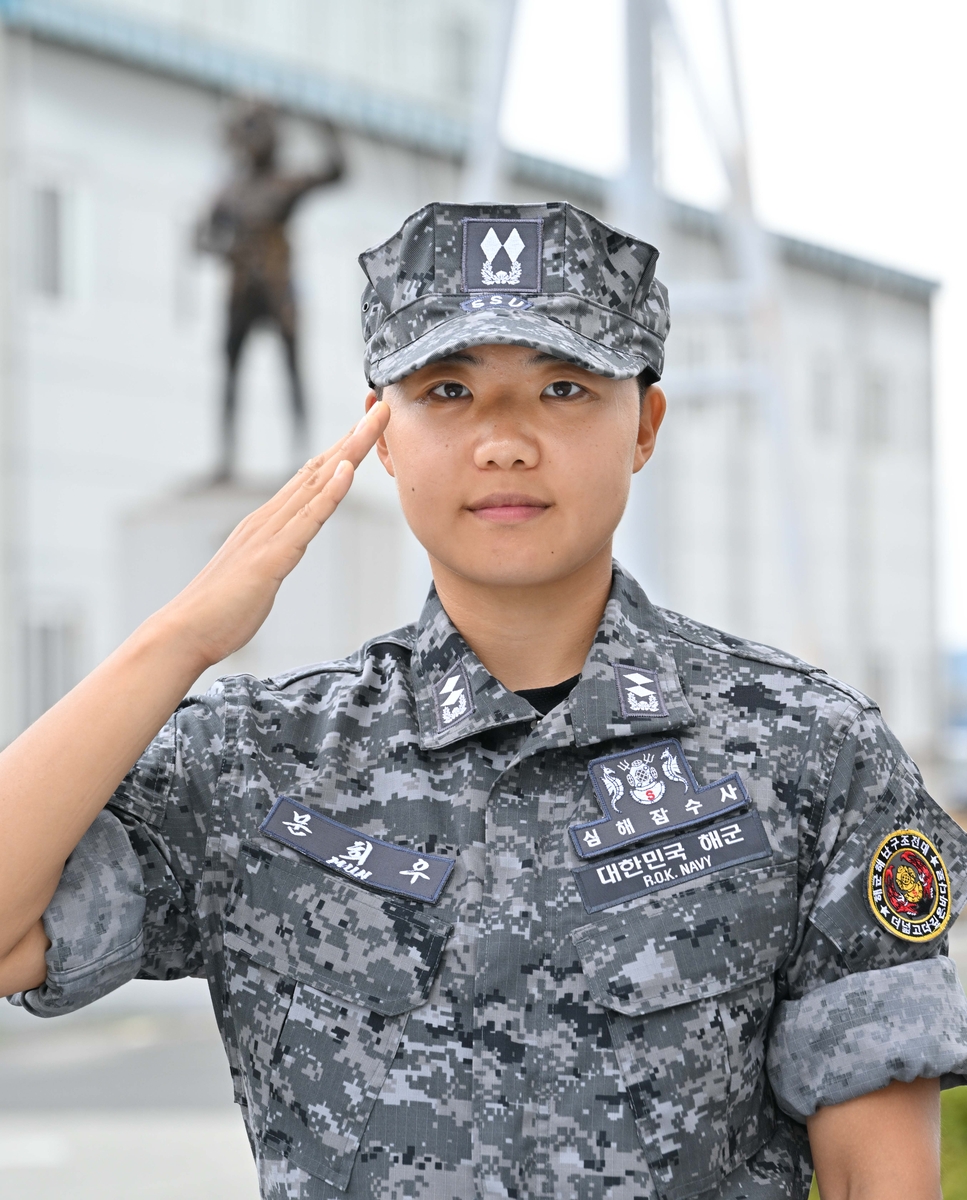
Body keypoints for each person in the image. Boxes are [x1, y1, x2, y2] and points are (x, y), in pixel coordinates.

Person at [0, 201, 965, 1200]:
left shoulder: (805, 753)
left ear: (644, 423)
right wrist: (180, 638)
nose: (503, 443)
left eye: (562, 388)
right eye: (447, 390)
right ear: (381, 432)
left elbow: (876, 1178)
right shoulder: (264, 767)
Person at [196, 101, 344, 481]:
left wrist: (329, 133)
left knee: (292, 369)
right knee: (231, 371)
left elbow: (335, 173)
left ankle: (301, 453)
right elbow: (200, 237)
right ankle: (225, 458)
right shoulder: (231, 192)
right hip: (242, 289)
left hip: (279, 288)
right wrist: (227, 248)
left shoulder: (283, 184)